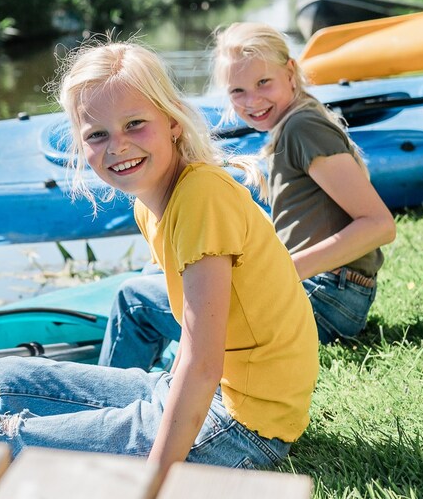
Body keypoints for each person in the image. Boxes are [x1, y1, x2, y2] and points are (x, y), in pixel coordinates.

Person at [0, 39, 319, 477]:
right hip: (199, 395)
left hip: (243, 425)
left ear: (172, 121)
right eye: (97, 134)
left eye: (135, 124)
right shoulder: (151, 203)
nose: (117, 146)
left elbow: (202, 365)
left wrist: (152, 478)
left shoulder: (202, 196)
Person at [99, 22, 396, 369]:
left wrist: (282, 272)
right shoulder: (296, 121)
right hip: (336, 293)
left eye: (263, 83)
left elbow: (379, 226)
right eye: (237, 91)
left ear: (290, 71)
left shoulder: (303, 128)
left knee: (133, 300)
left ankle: (117, 400)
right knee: (157, 275)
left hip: (329, 299)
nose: (252, 101)